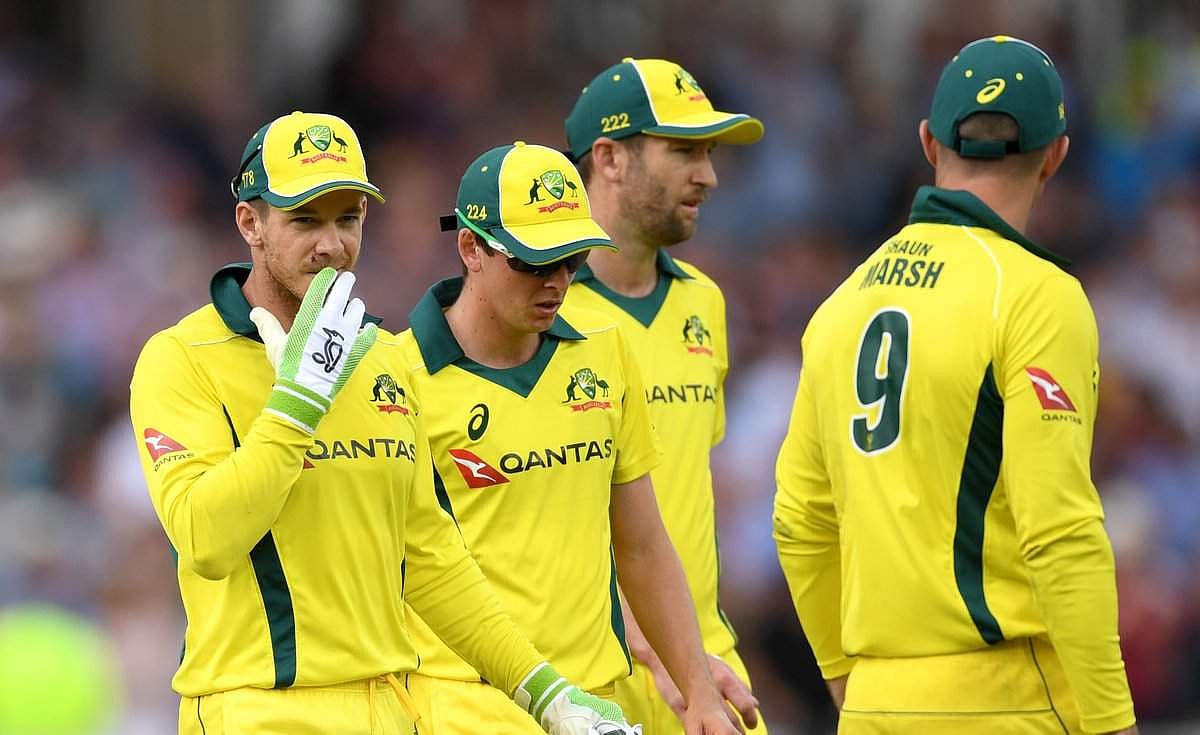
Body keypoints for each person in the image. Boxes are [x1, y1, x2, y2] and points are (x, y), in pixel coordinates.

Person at [130, 112, 636, 735]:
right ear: (250, 223)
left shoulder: (380, 358)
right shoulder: (182, 358)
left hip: (391, 709)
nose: (331, 245)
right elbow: (205, 540)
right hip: (261, 709)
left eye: (348, 219)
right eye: (305, 220)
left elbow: (431, 560)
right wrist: (295, 405)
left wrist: (547, 695)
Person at [772, 37, 1138, 735]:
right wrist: (1112, 719)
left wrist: (848, 678)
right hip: (1008, 699)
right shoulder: (1037, 296)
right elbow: (1059, 531)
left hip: (876, 703)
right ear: (1056, 154)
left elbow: (799, 521)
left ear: (928, 143)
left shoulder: (838, 306)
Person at [398, 140, 740, 734]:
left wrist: (699, 693)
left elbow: (642, 546)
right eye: (534, 263)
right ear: (471, 248)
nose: (557, 282)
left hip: (596, 707)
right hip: (462, 705)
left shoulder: (605, 352)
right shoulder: (399, 377)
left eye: (572, 260)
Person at [561, 57, 767, 733]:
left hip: (705, 664)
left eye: (708, 153)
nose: (708, 175)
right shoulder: (539, 313)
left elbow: (686, 490)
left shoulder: (703, 301)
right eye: (683, 151)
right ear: (609, 158)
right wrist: (646, 642)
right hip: (587, 675)